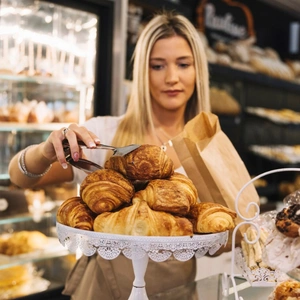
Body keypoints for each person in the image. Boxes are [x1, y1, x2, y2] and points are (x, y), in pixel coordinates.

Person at [9, 11, 212, 300]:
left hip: (177, 292)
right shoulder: (104, 133)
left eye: (183, 64)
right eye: (157, 66)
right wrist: (44, 152)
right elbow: (20, 177)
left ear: (198, 71)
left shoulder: (209, 144)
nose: (171, 78)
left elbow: (225, 238)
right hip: (103, 289)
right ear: (142, 73)